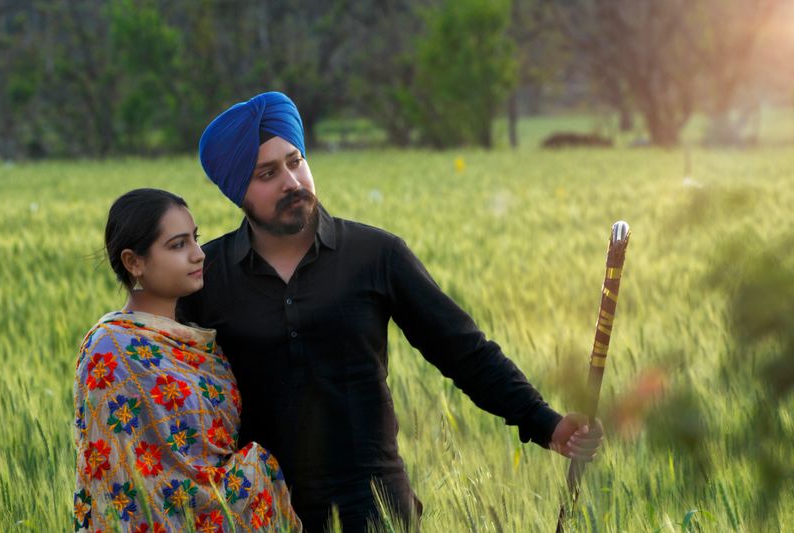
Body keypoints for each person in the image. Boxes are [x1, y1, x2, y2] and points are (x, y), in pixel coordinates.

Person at [179, 92, 604, 532]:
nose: (291, 181)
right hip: (260, 511)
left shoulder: (375, 254)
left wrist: (547, 424)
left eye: (295, 160)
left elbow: (464, 351)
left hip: (376, 505)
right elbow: (154, 380)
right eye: (267, 173)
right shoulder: (205, 277)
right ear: (236, 191)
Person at [73, 188, 301, 532]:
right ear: (134, 262)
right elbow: (117, 475)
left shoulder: (198, 341)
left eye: (196, 239)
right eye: (178, 245)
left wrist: (249, 476)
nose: (198, 255)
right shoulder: (111, 350)